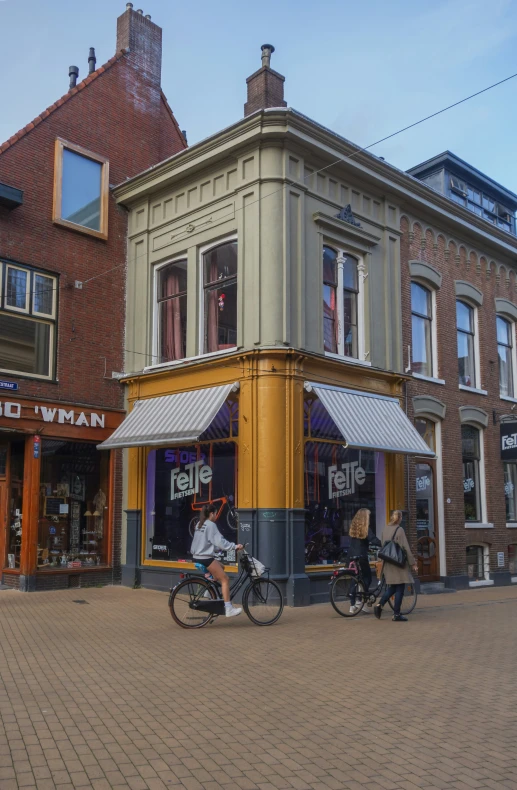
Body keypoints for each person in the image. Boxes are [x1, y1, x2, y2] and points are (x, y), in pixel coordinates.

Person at [190, 504, 244, 618]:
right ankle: (228, 608)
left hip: (196, 556)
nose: (216, 516)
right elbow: (220, 541)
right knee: (225, 579)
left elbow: (206, 541)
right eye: (215, 514)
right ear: (211, 514)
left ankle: (210, 591)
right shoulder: (211, 525)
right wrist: (234, 547)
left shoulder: (199, 524)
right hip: (205, 558)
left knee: (221, 567)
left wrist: (216, 549)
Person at [374, 510, 418, 622]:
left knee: (393, 587)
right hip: (398, 563)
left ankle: (379, 605)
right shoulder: (400, 530)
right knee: (400, 588)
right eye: (401, 517)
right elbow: (406, 548)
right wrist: (413, 563)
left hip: (388, 562)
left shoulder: (385, 529)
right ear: (399, 518)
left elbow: (383, 545)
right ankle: (396, 614)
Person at [348, 508, 381, 614]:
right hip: (361, 556)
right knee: (367, 578)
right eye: (369, 516)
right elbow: (373, 540)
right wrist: (385, 543)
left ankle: (352, 605)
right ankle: (360, 601)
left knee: (354, 580)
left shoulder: (354, 527)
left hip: (351, 556)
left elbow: (358, 542)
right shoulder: (365, 528)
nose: (370, 518)